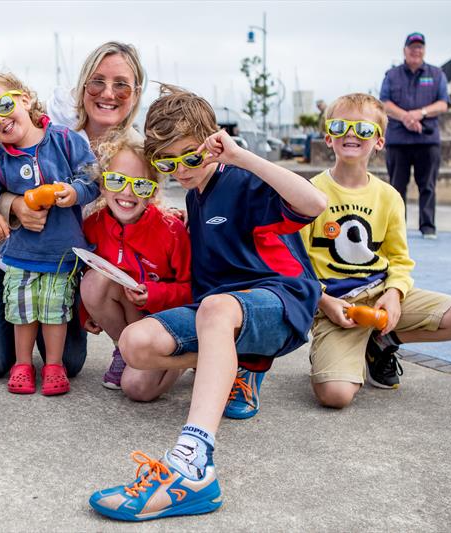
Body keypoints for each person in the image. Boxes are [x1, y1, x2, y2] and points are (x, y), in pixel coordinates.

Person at [88, 86, 327, 521]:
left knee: (217, 307)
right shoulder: (196, 196)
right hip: (223, 313)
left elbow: (315, 203)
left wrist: (241, 156)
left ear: (213, 143)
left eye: (191, 158)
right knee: (135, 347)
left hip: (277, 302)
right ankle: (238, 365)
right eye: (168, 163)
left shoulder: (243, 178)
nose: (181, 170)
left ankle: (193, 465)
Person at [0, 42, 145, 382]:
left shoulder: (131, 150)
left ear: (136, 92)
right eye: (97, 82)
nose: (108, 94)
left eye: (122, 85)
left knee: (69, 362)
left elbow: (134, 211)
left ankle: (37, 341)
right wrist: (13, 206)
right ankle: (17, 345)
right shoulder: (44, 124)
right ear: (83, 84)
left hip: (55, 257)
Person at [300, 93, 451, 408]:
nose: (351, 135)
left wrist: (395, 293)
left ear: (379, 142)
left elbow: (399, 259)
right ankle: (333, 352)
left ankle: (381, 342)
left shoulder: (389, 196)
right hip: (335, 304)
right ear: (328, 137)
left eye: (363, 129)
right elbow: (294, 263)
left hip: (379, 295)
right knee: (336, 396)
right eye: (341, 126)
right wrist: (322, 301)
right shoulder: (311, 192)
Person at [0, 66, 98, 396]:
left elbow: (93, 177)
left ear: (25, 99)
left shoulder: (64, 141)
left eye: (4, 107)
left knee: (55, 312)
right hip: (19, 257)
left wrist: (76, 192)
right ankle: (22, 364)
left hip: (61, 257)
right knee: (21, 312)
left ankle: (53, 365)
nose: (0, 121)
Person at [80, 131, 191, 395]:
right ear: (103, 184)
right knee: (93, 281)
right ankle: (124, 349)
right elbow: (82, 272)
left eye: (141, 185)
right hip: (131, 318)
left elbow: (192, 289)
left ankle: (185, 361)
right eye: (117, 180)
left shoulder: (172, 230)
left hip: (165, 323)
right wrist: (86, 313)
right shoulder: (93, 226)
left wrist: (154, 294)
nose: (127, 193)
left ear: (153, 191)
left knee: (137, 389)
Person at [380, 32, 450, 239]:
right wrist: (406, 118)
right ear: (405, 50)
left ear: (424, 50)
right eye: (412, 47)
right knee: (396, 187)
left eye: (420, 47)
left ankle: (428, 227)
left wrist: (420, 114)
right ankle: (396, 228)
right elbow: (384, 103)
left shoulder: (437, 74)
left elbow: (443, 103)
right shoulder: (391, 75)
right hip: (398, 141)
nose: (416, 50)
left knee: (427, 185)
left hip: (427, 140)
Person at [304, 99, 327, 163]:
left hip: (325, 133)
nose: (319, 107)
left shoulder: (327, 112)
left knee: (312, 138)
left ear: (324, 104)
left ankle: (308, 157)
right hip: (321, 133)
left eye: (320, 105)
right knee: (308, 136)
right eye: (318, 106)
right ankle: (306, 156)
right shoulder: (321, 114)